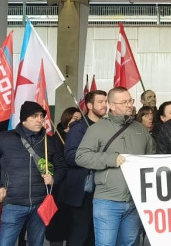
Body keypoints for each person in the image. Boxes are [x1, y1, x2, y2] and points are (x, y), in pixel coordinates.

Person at [0, 101, 66, 246]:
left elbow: (62, 167)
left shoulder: (49, 141)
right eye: (34, 116)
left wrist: (54, 179)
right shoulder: (5, 139)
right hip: (13, 203)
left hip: (40, 204)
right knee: (5, 243)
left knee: (36, 243)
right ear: (24, 119)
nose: (39, 119)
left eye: (41, 116)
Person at [75, 87, 156, 246]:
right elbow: (81, 157)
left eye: (130, 101)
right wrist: (111, 159)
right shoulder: (97, 129)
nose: (129, 105)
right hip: (107, 200)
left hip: (134, 200)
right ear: (111, 105)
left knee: (129, 243)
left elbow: (151, 157)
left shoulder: (140, 129)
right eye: (124, 102)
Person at [61, 90, 108, 246]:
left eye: (105, 101)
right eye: (100, 102)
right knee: (80, 233)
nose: (104, 105)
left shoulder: (107, 126)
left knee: (96, 234)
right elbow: (70, 156)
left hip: (103, 188)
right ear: (89, 105)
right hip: (83, 190)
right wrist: (98, 158)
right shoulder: (79, 128)